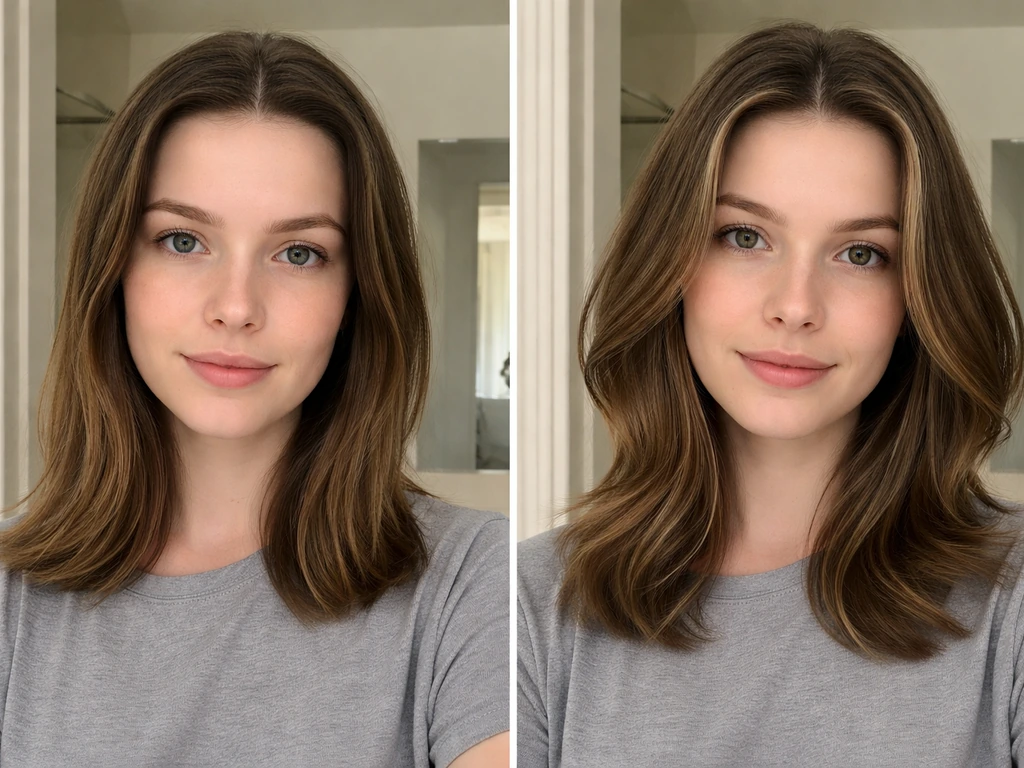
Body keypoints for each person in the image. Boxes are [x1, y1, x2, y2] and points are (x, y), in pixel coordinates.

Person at [518, 21, 1024, 767]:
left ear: (918, 296)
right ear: (672, 261)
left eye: (861, 253)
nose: (795, 305)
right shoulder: (536, 606)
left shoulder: (1009, 603)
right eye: (745, 237)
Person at [0, 31, 508, 767]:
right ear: (113, 271)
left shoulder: (471, 585)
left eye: (298, 253)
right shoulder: (14, 598)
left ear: (357, 294)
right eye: (182, 241)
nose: (236, 307)